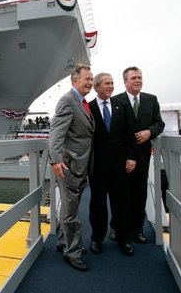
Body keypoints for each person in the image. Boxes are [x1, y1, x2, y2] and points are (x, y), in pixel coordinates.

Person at [112, 66, 165, 244]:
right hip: (121, 157)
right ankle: (116, 227)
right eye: (133, 78)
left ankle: (137, 229)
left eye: (140, 77)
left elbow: (159, 123)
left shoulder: (151, 100)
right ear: (125, 82)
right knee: (121, 194)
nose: (137, 81)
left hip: (142, 157)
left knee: (139, 194)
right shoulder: (115, 100)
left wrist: (149, 132)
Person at [49, 64, 94, 271]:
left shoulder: (81, 101)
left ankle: (63, 242)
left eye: (91, 79)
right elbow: (57, 132)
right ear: (75, 80)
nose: (90, 83)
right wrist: (56, 159)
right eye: (87, 79)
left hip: (79, 163)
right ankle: (72, 252)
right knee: (71, 211)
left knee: (70, 206)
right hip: (68, 165)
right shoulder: (68, 100)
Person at [88, 73, 136, 256]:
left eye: (112, 83)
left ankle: (124, 239)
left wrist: (131, 157)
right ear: (97, 87)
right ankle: (97, 238)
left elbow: (129, 133)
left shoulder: (122, 105)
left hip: (120, 165)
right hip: (98, 167)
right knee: (97, 203)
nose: (111, 86)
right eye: (107, 83)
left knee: (121, 203)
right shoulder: (89, 108)